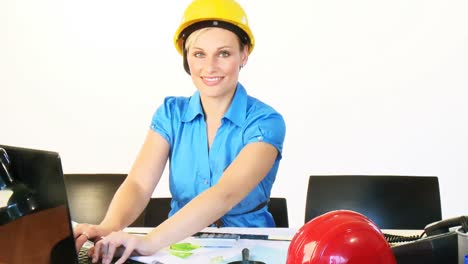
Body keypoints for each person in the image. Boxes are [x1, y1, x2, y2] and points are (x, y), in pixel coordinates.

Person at [73, 0, 286, 263]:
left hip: (250, 248)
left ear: (244, 55)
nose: (210, 67)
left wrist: (149, 242)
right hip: (178, 244)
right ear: (186, 58)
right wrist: (109, 226)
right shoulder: (170, 113)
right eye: (198, 54)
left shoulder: (266, 121)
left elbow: (225, 193)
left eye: (224, 53)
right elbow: (139, 184)